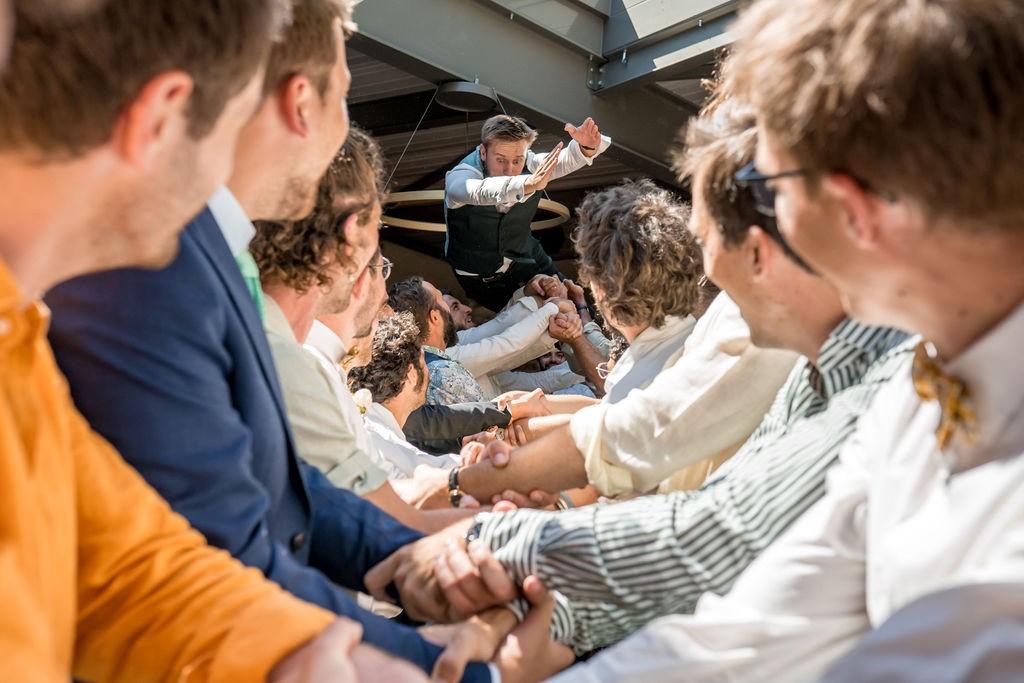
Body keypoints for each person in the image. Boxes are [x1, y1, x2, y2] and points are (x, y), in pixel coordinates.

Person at [532, 0, 1024, 679]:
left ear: (852, 207)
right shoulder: (919, 377)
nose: (758, 213)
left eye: (767, 177)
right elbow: (757, 624)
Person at [43, 2, 514, 679]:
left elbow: (282, 490)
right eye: (345, 96)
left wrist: (411, 558)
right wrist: (472, 668)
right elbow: (224, 555)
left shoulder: (210, 250)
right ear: (301, 102)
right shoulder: (149, 265)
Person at [363, 100, 913, 661]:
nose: (707, 259)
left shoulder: (787, 336)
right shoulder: (807, 341)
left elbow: (671, 474)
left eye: (711, 218)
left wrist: (478, 509)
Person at [444, 114, 611, 311]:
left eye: (517, 161)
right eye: (500, 160)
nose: (509, 169)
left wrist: (586, 148)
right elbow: (475, 190)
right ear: (482, 152)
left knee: (578, 306)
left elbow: (556, 162)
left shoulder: (527, 162)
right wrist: (526, 183)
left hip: (527, 254)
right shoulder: (462, 174)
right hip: (483, 279)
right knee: (539, 327)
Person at [348, 312, 462, 476]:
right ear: (411, 374)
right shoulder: (381, 437)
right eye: (423, 362)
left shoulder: (370, 424)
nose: (428, 371)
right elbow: (435, 474)